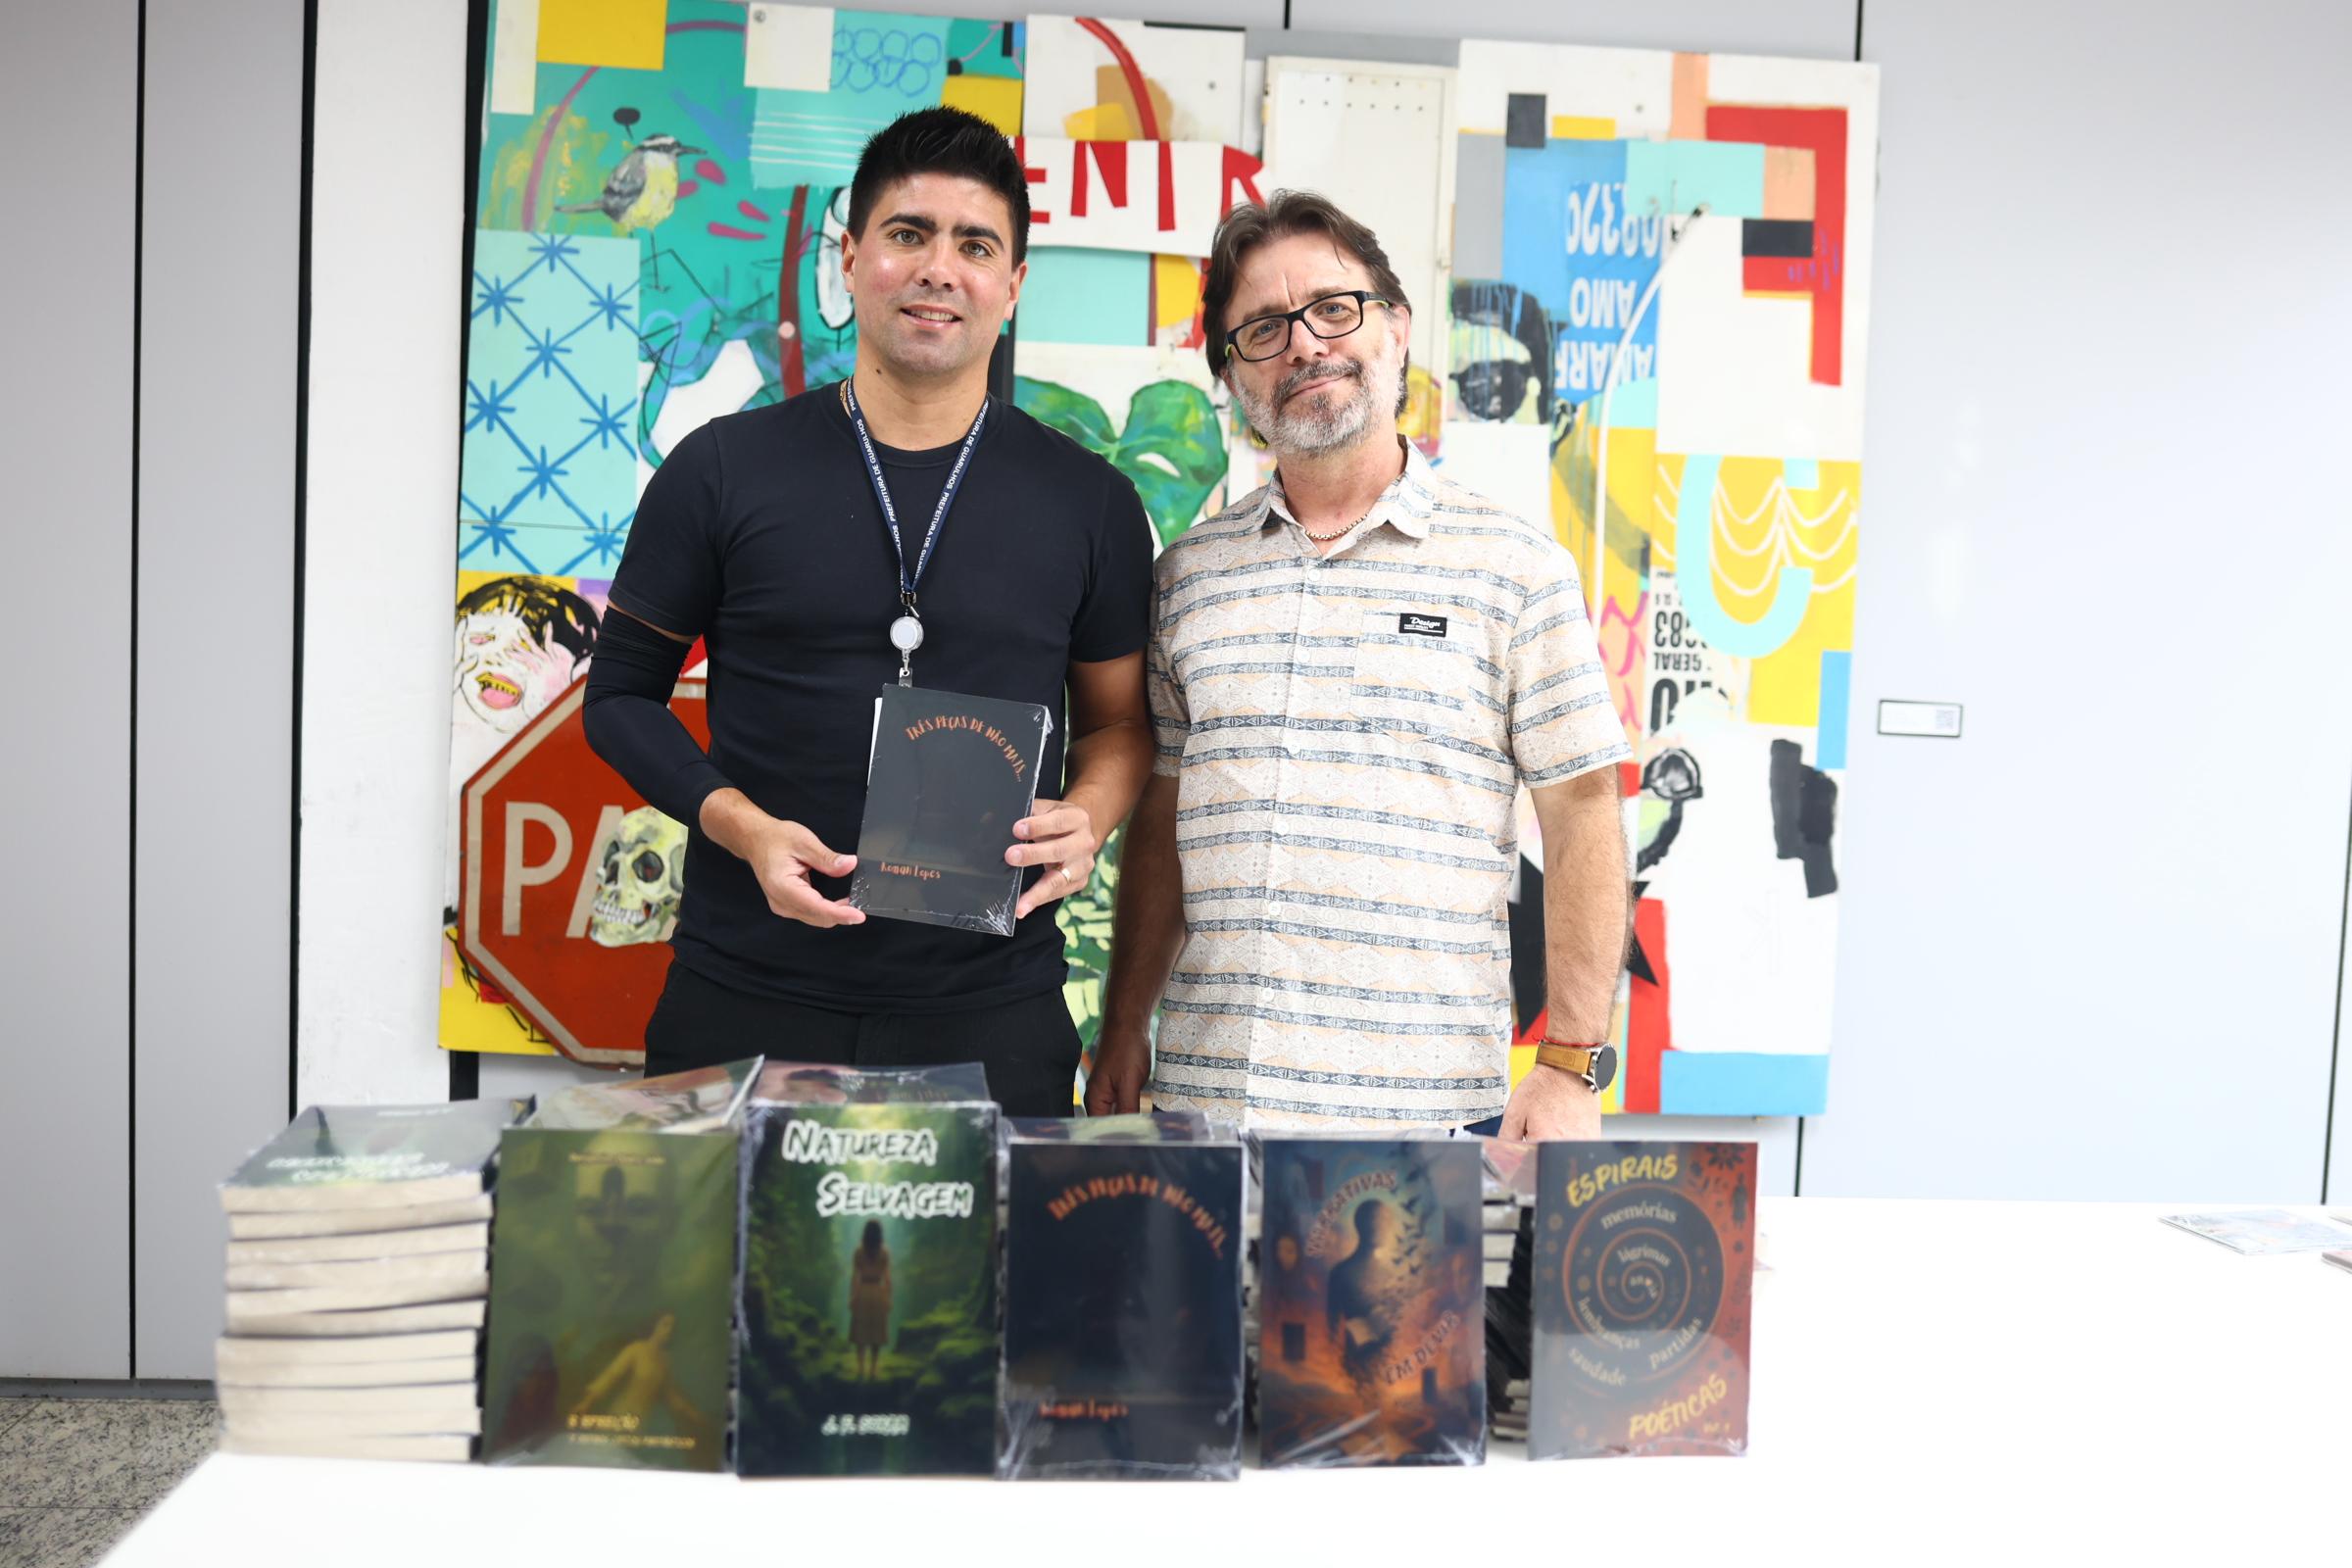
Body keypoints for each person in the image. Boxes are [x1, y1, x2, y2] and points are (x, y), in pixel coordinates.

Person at [583, 108, 1155, 1115]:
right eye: (907, 234)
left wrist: (1092, 816)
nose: (939, 269)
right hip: (744, 996)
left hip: (991, 1015)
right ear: (850, 260)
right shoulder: (721, 469)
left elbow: (1118, 725)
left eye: (975, 245)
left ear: (1013, 284)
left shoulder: (1091, 503)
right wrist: (741, 826)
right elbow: (620, 697)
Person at [1086, 191, 1632, 1138]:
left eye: (1334, 309)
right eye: (1263, 329)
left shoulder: (1516, 569)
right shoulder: (1188, 579)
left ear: (1398, 329)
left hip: (1425, 1124)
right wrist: (1127, 1019)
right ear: (1233, 376)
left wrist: (1572, 1064)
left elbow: (1582, 811)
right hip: (1208, 1109)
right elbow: (1164, 815)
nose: (1304, 345)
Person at [847, 1220, 893, 1381]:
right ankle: (873, 1369)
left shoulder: (859, 1252)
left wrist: (852, 1297)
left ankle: (860, 1369)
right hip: (878, 1293)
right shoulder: (884, 1252)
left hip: (863, 1292)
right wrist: (888, 1298)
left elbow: (855, 1277)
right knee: (876, 1332)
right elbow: (887, 1279)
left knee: (861, 1331)